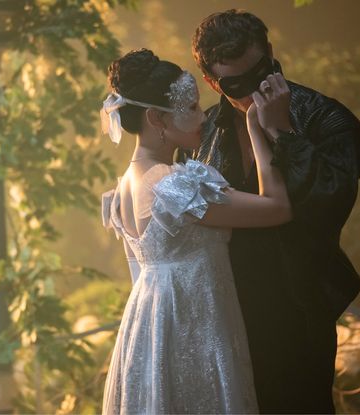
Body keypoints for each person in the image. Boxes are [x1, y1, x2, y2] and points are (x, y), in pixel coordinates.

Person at [188, 9, 360, 414]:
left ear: (270, 53)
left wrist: (282, 131)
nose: (253, 92)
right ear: (212, 82)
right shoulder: (203, 132)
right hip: (227, 304)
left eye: (260, 74)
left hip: (298, 300)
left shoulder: (327, 118)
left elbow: (331, 200)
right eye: (236, 84)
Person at [100, 48, 293, 414]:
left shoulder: (124, 186)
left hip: (151, 328)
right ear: (157, 117)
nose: (201, 117)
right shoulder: (173, 185)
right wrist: (257, 126)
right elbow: (277, 208)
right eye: (189, 108)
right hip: (193, 328)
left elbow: (139, 274)